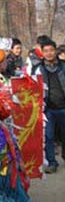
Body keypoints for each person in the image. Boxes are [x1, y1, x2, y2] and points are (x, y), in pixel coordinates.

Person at [32, 37, 65, 174]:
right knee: (49, 136)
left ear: (56, 51)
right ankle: (52, 162)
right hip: (48, 109)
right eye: (46, 51)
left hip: (63, 106)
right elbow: (32, 87)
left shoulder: (63, 65)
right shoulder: (38, 68)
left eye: (52, 50)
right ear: (42, 53)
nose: (49, 53)